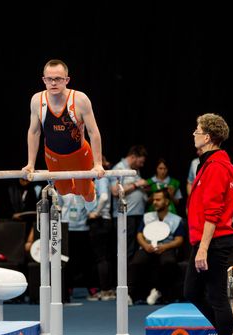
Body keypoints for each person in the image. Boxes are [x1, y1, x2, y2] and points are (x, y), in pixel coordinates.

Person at [183, 114, 233, 335]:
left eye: (197, 131)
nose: (193, 134)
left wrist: (203, 248)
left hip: (213, 241)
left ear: (207, 137)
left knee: (216, 296)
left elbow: (213, 212)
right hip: (206, 239)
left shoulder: (216, 166)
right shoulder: (210, 164)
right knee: (192, 291)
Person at [22, 59, 104, 209]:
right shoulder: (37, 100)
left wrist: (98, 164)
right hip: (53, 155)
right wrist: (30, 164)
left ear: (67, 80)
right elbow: (34, 132)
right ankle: (71, 190)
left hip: (79, 154)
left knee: (86, 193)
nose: (53, 83)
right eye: (50, 79)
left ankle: (89, 188)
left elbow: (94, 132)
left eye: (58, 79)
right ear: (44, 80)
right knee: (63, 191)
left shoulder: (80, 99)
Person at [128, 188, 185, 305]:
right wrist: (145, 245)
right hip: (148, 246)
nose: (155, 202)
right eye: (154, 200)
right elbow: (139, 235)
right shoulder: (147, 217)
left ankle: (158, 291)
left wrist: (165, 246)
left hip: (166, 247)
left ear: (167, 202)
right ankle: (130, 295)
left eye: (158, 200)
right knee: (136, 262)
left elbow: (179, 240)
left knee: (168, 262)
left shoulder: (176, 219)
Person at [110, 145, 149, 260]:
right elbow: (115, 191)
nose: (141, 165)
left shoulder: (135, 169)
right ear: (133, 157)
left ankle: (131, 274)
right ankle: (124, 276)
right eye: (140, 162)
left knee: (135, 249)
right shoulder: (119, 169)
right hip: (126, 216)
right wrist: (136, 185)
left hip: (136, 215)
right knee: (127, 249)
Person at [87, 156, 115, 301]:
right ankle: (107, 289)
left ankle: (105, 290)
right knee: (105, 257)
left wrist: (95, 213)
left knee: (101, 258)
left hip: (100, 221)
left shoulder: (100, 178)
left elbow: (103, 197)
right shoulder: (101, 178)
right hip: (104, 221)